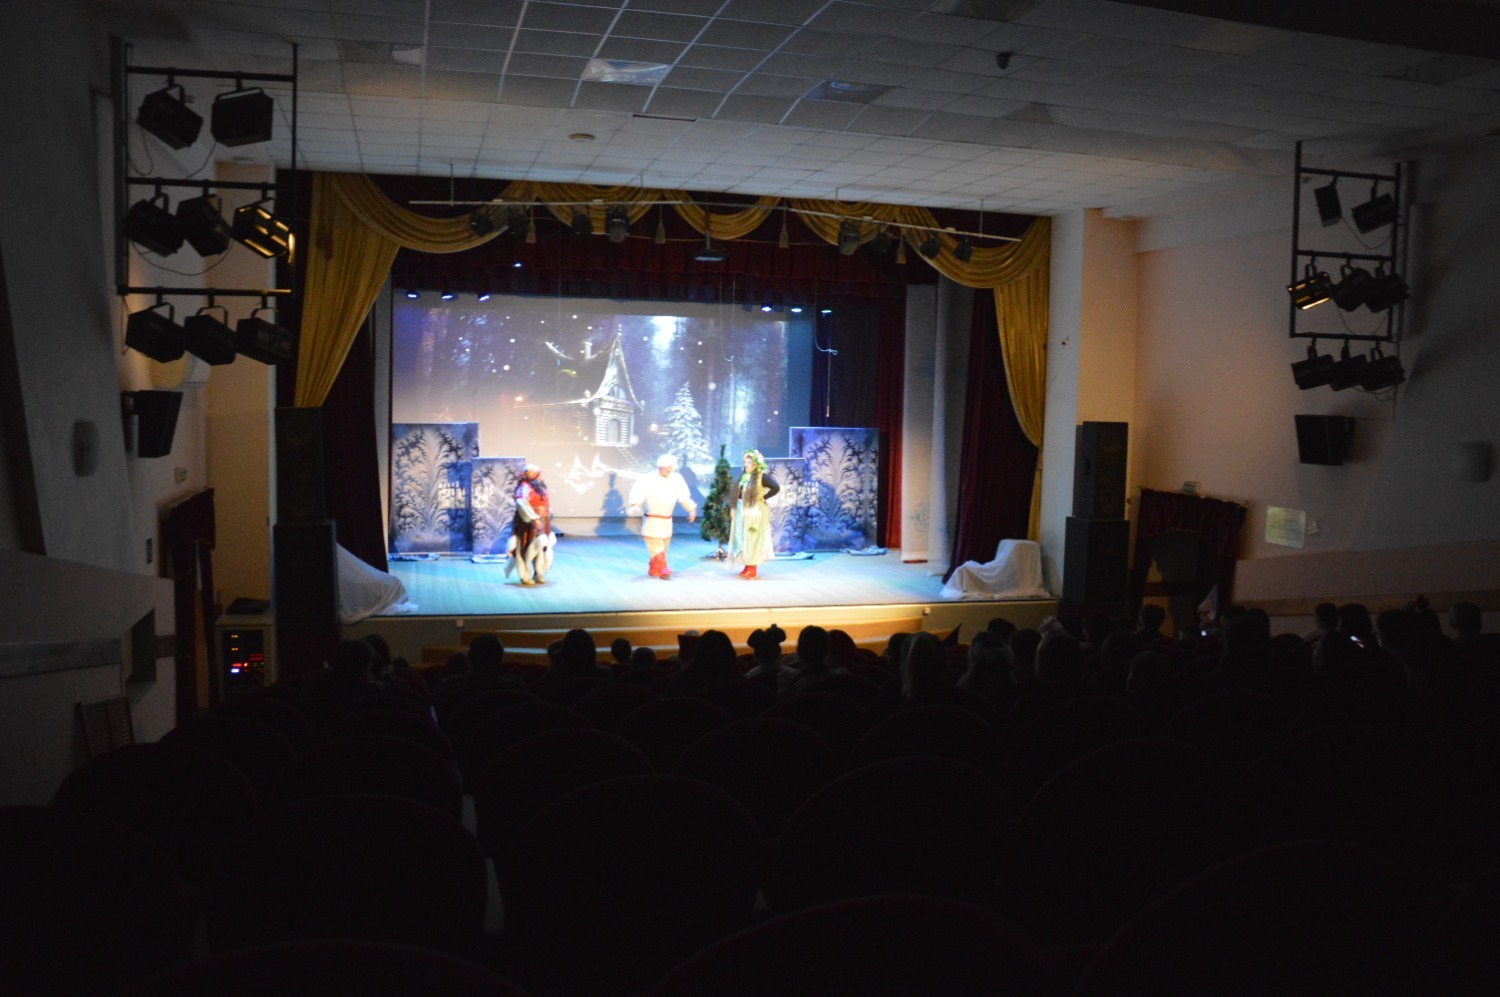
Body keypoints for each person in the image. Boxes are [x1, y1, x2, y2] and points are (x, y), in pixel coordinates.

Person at [626, 453, 697, 580]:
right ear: (660, 466)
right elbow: (638, 493)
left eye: (670, 468)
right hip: (652, 520)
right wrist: (635, 505)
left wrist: (691, 509)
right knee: (656, 545)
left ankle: (654, 569)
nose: (668, 470)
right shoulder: (647, 479)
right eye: (666, 468)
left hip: (666, 521)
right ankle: (663, 568)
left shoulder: (676, 479)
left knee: (664, 547)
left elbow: (684, 497)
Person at [728, 448, 779, 579]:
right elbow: (738, 494)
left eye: (749, 463)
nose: (746, 465)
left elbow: (776, 487)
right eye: (745, 462)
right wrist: (733, 507)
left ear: (756, 464)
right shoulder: (744, 477)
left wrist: (764, 497)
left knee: (752, 538)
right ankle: (747, 564)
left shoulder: (762, 477)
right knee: (742, 538)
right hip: (742, 510)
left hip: (754, 511)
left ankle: (753, 568)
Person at [508, 463, 554, 586]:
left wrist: (547, 513)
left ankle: (539, 572)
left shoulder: (539, 487)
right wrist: (534, 519)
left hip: (542, 522)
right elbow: (522, 504)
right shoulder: (524, 487)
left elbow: (543, 503)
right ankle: (525, 575)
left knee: (541, 547)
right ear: (533, 477)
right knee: (527, 547)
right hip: (528, 523)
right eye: (538, 475)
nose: (540, 477)